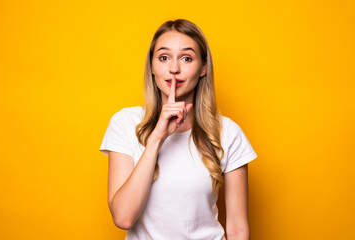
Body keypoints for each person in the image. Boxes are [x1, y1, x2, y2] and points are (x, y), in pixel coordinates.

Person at [99, 19, 258, 240]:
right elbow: (123, 217)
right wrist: (158, 136)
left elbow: (238, 229)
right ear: (152, 67)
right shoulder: (125, 123)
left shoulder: (228, 133)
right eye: (164, 58)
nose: (174, 69)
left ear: (203, 68)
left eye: (186, 58)